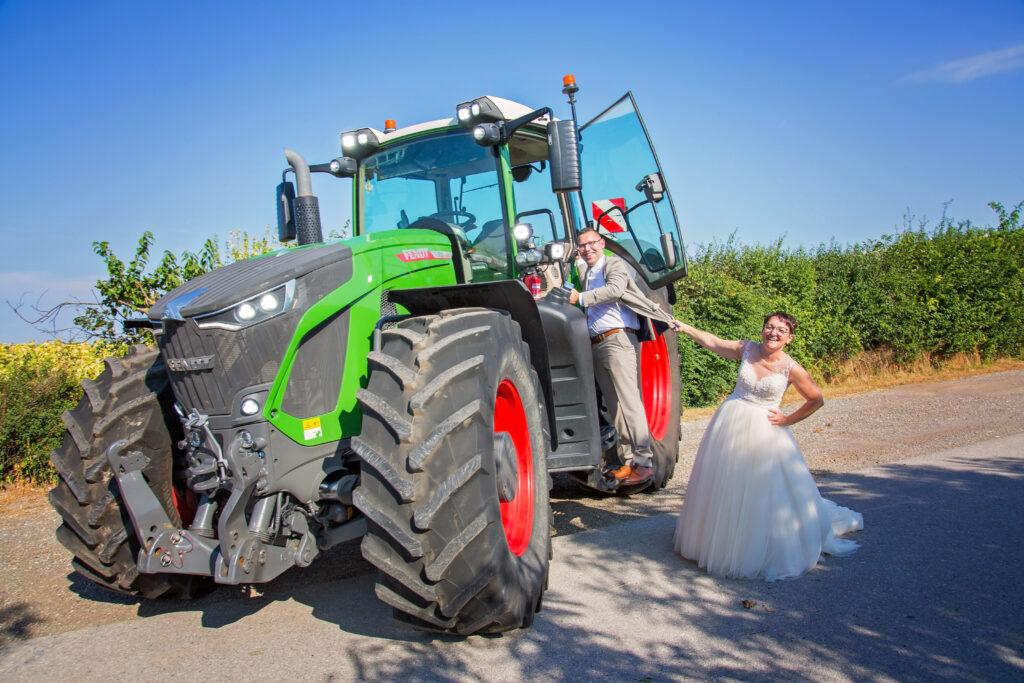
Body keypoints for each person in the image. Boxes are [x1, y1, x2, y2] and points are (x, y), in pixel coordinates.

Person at [672, 312, 863, 580]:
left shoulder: (791, 368)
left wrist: (787, 420)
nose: (773, 333)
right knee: (727, 483)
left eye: (780, 330)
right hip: (732, 422)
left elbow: (816, 399)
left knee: (762, 488)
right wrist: (687, 328)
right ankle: (721, 538)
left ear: (789, 338)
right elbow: (714, 342)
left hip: (767, 430)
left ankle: (756, 543)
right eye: (769, 327)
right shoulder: (746, 348)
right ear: (762, 330)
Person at [567, 227, 679, 488]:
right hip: (596, 344)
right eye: (582, 245)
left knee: (629, 401)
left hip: (617, 340)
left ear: (602, 242)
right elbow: (578, 266)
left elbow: (616, 290)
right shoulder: (587, 271)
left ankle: (645, 461)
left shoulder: (614, 263)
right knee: (614, 405)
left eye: (592, 243)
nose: (588, 248)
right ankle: (629, 462)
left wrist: (581, 298)